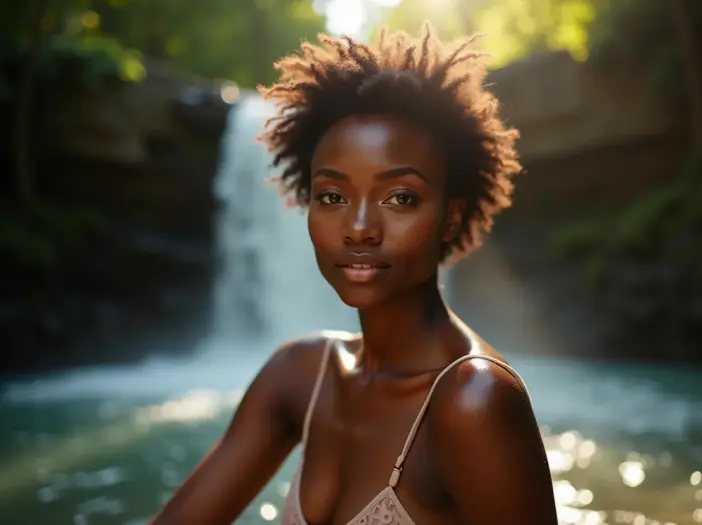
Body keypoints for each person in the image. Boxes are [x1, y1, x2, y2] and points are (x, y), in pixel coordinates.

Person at [151, 23, 558, 525]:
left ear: (450, 216)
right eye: (333, 197)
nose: (359, 228)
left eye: (400, 197)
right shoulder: (299, 375)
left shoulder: (474, 401)